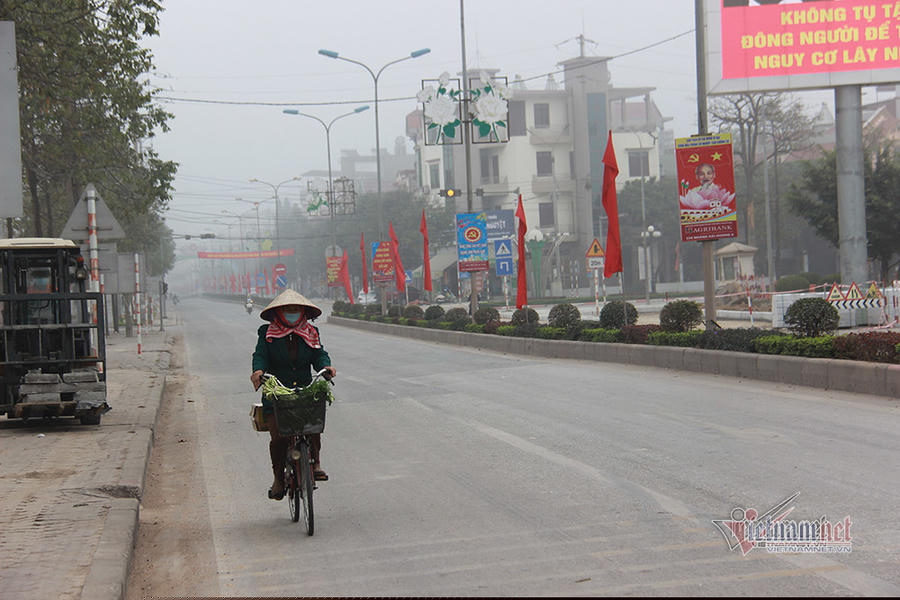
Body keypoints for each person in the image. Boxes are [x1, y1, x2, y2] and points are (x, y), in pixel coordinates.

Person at [250, 289, 337, 500]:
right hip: (277, 393)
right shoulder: (267, 333)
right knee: (279, 438)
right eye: (287, 309)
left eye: (295, 309)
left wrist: (326, 367)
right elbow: (260, 355)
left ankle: (315, 463)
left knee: (314, 425)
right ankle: (278, 478)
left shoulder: (311, 332)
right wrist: (258, 371)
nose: (292, 312)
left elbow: (319, 354)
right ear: (278, 312)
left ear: (303, 312)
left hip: (304, 391)